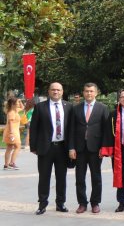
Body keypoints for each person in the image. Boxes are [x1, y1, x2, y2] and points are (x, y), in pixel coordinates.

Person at [69, 83, 113, 214]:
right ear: (83, 92)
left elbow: (106, 131)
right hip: (80, 149)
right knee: (79, 178)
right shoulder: (75, 109)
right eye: (87, 91)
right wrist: (71, 148)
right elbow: (71, 129)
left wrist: (103, 148)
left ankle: (95, 203)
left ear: (96, 93)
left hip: (95, 149)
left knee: (96, 177)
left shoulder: (103, 108)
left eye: (91, 91)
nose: (89, 93)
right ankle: (82, 203)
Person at [30, 82, 73, 215]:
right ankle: (42, 204)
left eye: (58, 90)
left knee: (61, 177)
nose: (55, 92)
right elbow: (34, 128)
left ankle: (60, 203)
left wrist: (72, 147)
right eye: (53, 90)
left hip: (62, 148)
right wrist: (33, 146)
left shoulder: (69, 107)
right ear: (48, 91)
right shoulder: (40, 107)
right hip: (45, 148)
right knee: (44, 177)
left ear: (62, 91)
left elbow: (71, 129)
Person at [4, 98, 23, 170]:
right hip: (13, 132)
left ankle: (6, 165)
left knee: (9, 148)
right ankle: (12, 163)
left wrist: (20, 101)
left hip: (12, 131)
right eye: (17, 103)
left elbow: (22, 107)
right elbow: (10, 123)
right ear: (13, 104)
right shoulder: (11, 112)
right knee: (18, 146)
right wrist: (11, 133)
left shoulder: (15, 110)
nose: (18, 104)